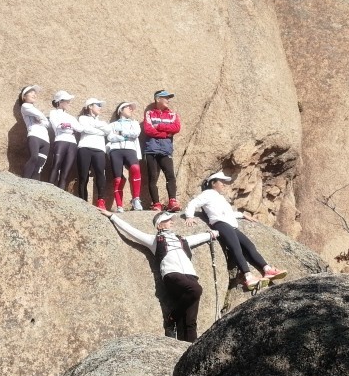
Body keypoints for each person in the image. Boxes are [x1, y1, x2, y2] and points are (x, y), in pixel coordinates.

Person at [103, 209, 212, 342]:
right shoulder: (154, 240)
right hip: (172, 274)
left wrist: (215, 233)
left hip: (191, 275)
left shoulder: (181, 239)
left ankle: (187, 353)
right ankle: (171, 319)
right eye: (167, 220)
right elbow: (132, 231)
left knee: (190, 321)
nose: (171, 221)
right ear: (159, 225)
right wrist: (112, 216)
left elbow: (198, 237)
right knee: (196, 289)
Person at [184, 170, 288, 291]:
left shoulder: (219, 197)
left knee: (249, 246)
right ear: (213, 183)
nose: (223, 184)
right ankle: (248, 276)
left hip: (230, 225)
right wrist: (189, 216)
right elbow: (193, 203)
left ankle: (267, 269)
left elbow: (228, 213)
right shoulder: (207, 194)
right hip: (220, 224)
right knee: (236, 248)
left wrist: (242, 215)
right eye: (221, 181)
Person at [142, 89, 181, 212]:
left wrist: (158, 126)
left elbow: (176, 128)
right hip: (151, 149)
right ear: (158, 99)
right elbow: (148, 130)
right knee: (153, 177)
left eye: (168, 98)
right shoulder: (149, 113)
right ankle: (156, 203)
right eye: (165, 97)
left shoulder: (173, 114)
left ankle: (172, 201)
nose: (168, 100)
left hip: (165, 150)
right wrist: (165, 134)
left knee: (170, 175)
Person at [107, 101, 143, 212]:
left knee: (135, 168)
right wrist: (126, 136)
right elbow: (110, 137)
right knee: (118, 178)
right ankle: (119, 205)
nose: (131, 109)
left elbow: (136, 133)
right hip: (115, 150)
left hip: (130, 149)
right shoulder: (112, 125)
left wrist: (121, 134)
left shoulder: (134, 123)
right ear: (121, 110)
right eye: (128, 107)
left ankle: (136, 199)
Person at [77, 98, 111, 209]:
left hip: (99, 149)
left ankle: (101, 200)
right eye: (98, 105)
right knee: (83, 175)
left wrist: (95, 127)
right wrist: (100, 131)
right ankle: (83, 200)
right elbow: (85, 129)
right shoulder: (82, 118)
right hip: (84, 147)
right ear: (90, 106)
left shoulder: (102, 122)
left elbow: (108, 130)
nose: (100, 107)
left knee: (101, 174)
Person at [46, 90, 82, 189]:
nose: (68, 103)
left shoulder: (70, 116)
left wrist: (68, 125)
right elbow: (57, 125)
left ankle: (61, 192)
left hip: (72, 142)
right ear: (60, 102)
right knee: (56, 164)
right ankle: (49, 188)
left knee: (66, 170)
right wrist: (69, 126)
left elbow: (80, 128)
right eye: (66, 101)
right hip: (60, 140)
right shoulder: (53, 112)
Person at [19, 85, 50, 180]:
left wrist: (42, 119)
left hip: (45, 139)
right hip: (34, 135)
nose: (34, 94)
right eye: (31, 92)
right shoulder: (25, 106)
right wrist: (42, 118)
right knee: (34, 158)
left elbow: (47, 124)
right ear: (24, 97)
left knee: (41, 163)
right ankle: (24, 181)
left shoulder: (35, 109)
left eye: (35, 93)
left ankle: (34, 186)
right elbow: (40, 116)